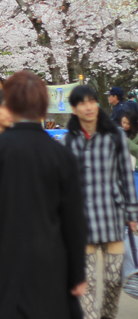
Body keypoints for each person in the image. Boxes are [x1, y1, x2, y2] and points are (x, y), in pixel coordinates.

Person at [0, 71, 87, 319]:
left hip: (0, 260)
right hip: (50, 263)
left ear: (9, 104)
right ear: (44, 104)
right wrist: (77, 273)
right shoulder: (60, 154)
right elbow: (74, 219)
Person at [65, 84, 138, 319]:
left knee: (113, 279)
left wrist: (132, 214)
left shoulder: (115, 135)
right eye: (82, 103)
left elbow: (126, 176)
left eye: (92, 101)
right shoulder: (69, 140)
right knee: (87, 281)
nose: (88, 107)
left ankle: (107, 315)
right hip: (82, 218)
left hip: (112, 214)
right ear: (74, 109)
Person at [120, 110, 138, 196]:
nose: (125, 125)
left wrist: (126, 141)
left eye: (128, 123)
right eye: (123, 122)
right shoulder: (119, 132)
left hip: (134, 171)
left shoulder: (136, 135)